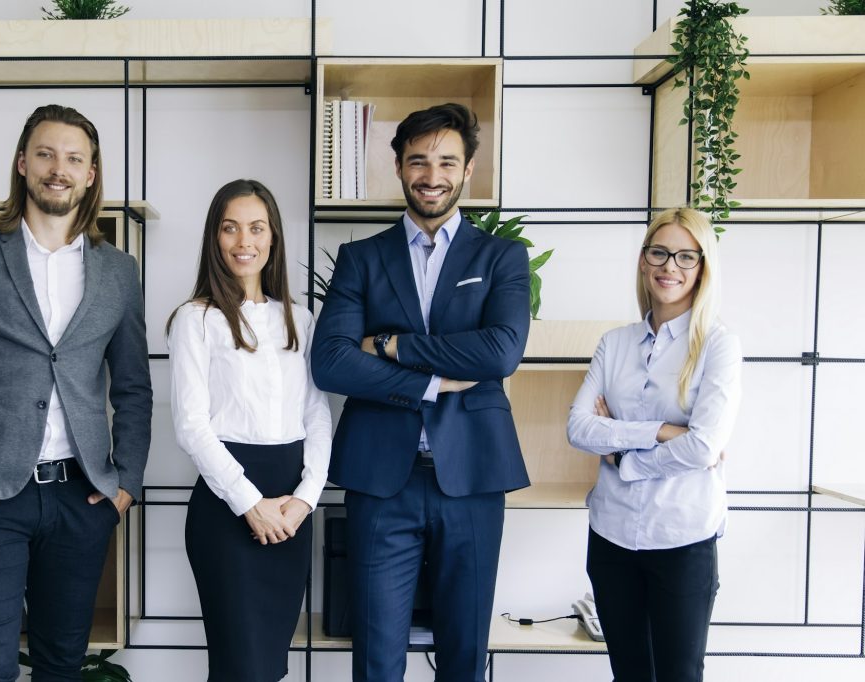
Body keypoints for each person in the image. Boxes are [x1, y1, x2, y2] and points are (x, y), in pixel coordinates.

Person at [0, 104, 152, 682]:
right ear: (22, 164)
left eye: (73, 158)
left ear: (92, 173)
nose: (57, 169)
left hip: (81, 498)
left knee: (62, 667)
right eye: (45, 154)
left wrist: (127, 485)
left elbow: (135, 388)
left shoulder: (119, 271)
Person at [311, 103, 531, 682]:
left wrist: (390, 345)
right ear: (399, 168)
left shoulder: (501, 256)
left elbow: (500, 353)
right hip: (384, 478)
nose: (431, 175)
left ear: (469, 170)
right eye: (418, 161)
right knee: (377, 659)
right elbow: (331, 362)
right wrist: (433, 381)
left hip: (475, 474)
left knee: (464, 655)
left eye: (446, 162)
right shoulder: (361, 258)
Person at [566, 207, 742, 682]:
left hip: (682, 539)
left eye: (687, 257)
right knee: (629, 674)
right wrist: (662, 431)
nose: (671, 267)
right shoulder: (615, 343)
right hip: (611, 537)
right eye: (660, 252)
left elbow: (704, 448)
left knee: (680, 674)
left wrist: (622, 455)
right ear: (643, 261)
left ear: (703, 267)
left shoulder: (718, 346)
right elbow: (579, 428)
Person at [167, 179, 331, 682]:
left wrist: (304, 500)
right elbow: (191, 426)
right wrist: (249, 504)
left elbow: (317, 416)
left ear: (273, 238)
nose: (244, 242)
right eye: (230, 228)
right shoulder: (195, 320)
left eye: (256, 228)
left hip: (290, 507)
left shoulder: (301, 319)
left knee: (271, 667)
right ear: (214, 238)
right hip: (226, 507)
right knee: (240, 668)